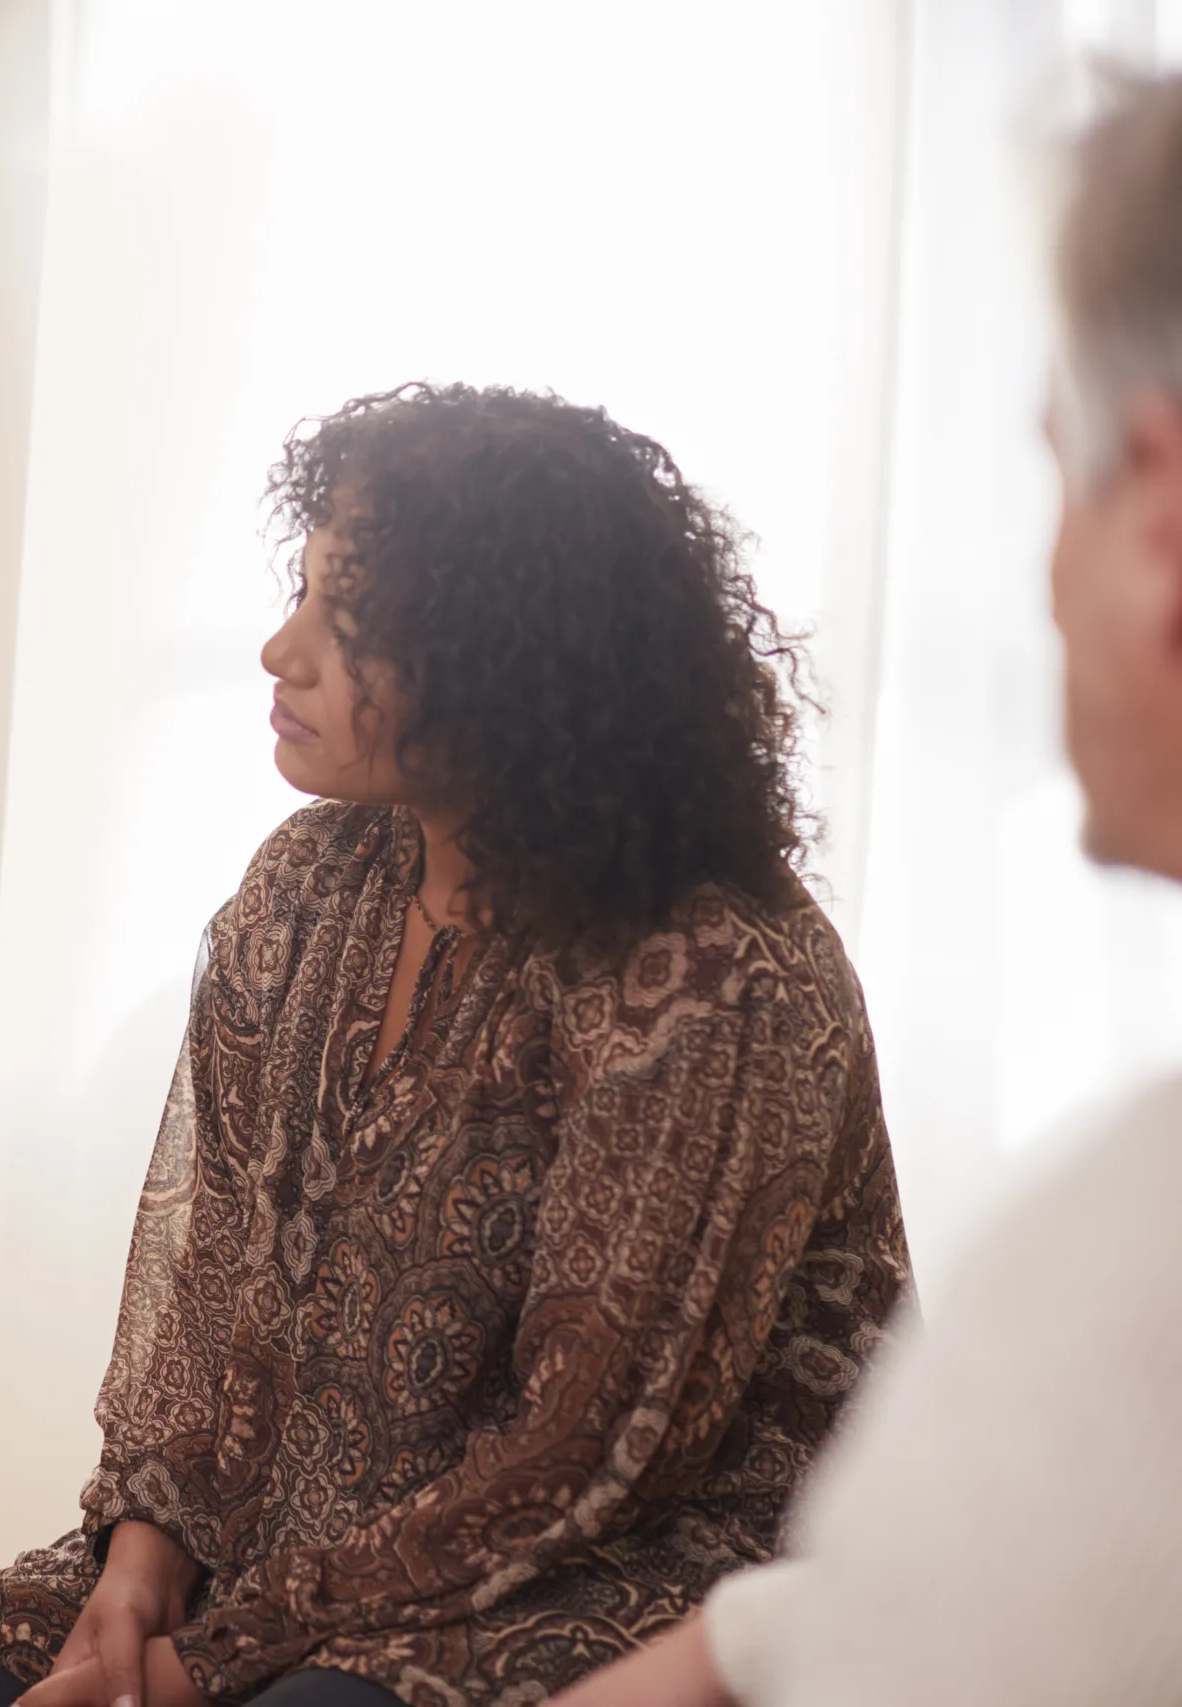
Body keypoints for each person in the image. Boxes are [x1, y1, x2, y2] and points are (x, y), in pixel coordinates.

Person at [0, 386, 910, 1707]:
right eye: (300, 594)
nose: (279, 650)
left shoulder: (715, 976)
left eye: (348, 624)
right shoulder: (304, 885)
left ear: (513, 661)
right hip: (281, 1537)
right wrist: (136, 1561)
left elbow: (584, 1460)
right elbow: (208, 1295)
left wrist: (190, 1673)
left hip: (630, 1566)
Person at [542, 67, 1182, 1707]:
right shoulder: (300, 900)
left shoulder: (1119, 1282)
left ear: (1162, 519)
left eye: (1060, 474)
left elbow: (603, 1450)